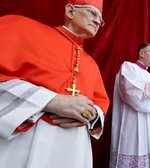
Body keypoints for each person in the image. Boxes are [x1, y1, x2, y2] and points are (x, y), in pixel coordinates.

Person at [0, 0, 110, 168]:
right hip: (25, 141)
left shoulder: (92, 64)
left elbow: (100, 104)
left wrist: (91, 115)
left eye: (100, 20)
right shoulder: (22, 29)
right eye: (92, 13)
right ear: (70, 11)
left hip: (75, 148)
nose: (97, 21)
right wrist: (50, 101)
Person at [110, 43, 150, 168]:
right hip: (133, 123)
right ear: (142, 53)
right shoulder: (128, 67)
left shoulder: (149, 75)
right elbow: (130, 91)